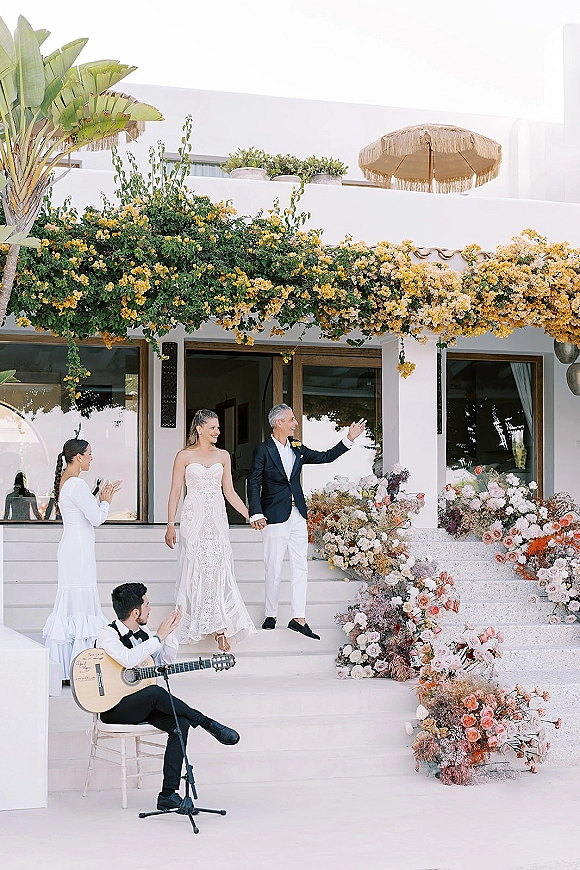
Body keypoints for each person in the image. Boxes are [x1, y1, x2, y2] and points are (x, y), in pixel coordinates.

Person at [96, 583, 239, 811]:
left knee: (180, 723)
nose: (150, 609)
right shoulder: (107, 635)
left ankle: (168, 794)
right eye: (147, 604)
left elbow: (163, 664)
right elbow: (128, 659)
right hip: (113, 708)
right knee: (154, 692)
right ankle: (207, 723)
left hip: (139, 704)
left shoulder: (144, 636)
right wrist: (158, 637)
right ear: (136, 612)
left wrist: (169, 635)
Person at [247, 404, 366, 639]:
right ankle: (271, 614)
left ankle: (298, 617)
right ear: (278, 422)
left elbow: (325, 457)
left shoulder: (297, 447)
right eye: (291, 419)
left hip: (298, 515)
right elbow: (254, 482)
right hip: (274, 516)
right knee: (273, 566)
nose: (296, 423)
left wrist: (349, 439)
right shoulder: (263, 450)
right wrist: (256, 513)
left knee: (300, 565)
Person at [165, 409, 256, 653]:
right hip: (193, 519)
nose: (217, 431)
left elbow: (230, 491)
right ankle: (195, 619)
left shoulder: (224, 455)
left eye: (218, 427)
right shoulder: (184, 456)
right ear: (199, 428)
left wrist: (250, 515)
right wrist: (170, 524)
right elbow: (175, 492)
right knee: (195, 567)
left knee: (218, 568)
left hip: (216, 518)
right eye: (213, 427)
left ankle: (221, 629)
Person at [42, 438, 121, 682]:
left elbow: (84, 513)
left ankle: (71, 668)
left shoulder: (69, 482)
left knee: (75, 605)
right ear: (78, 457)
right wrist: (106, 501)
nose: (91, 458)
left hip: (73, 548)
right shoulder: (75, 484)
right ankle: (81, 668)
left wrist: (98, 496)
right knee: (80, 604)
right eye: (89, 454)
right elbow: (96, 518)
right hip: (78, 552)